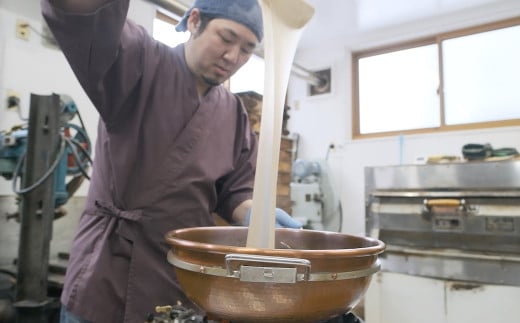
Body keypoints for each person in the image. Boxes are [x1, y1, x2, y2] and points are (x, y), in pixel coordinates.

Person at [40, 0, 302, 322]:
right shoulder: (141, 61)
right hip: (109, 271)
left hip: (181, 275)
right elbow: (87, 15)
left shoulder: (233, 113)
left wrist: (255, 215)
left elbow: (233, 191)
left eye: (247, 49)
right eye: (226, 38)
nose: (233, 57)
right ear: (194, 21)